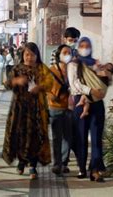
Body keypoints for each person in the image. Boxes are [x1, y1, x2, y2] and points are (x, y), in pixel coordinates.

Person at [3, 42, 53, 180]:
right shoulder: (17, 69)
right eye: (26, 54)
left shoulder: (42, 69)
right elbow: (6, 84)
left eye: (32, 54)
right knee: (20, 135)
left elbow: (50, 83)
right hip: (19, 109)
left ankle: (33, 165)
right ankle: (21, 162)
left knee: (35, 137)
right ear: (22, 55)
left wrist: (40, 87)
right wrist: (15, 81)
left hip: (37, 109)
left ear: (37, 56)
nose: (29, 57)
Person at [68, 37, 106, 182]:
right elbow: (74, 84)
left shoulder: (95, 63)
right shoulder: (73, 64)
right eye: (82, 46)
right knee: (80, 137)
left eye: (87, 46)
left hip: (96, 102)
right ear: (78, 48)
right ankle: (82, 167)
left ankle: (95, 169)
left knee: (96, 138)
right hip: (80, 102)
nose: (85, 48)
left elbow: (103, 80)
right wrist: (90, 90)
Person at [46, 44, 73, 175]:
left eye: (69, 52)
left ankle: (64, 163)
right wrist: (52, 97)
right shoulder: (51, 71)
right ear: (58, 55)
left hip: (69, 108)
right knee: (57, 137)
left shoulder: (73, 70)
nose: (67, 54)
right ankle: (57, 163)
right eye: (64, 52)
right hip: (55, 108)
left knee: (68, 137)